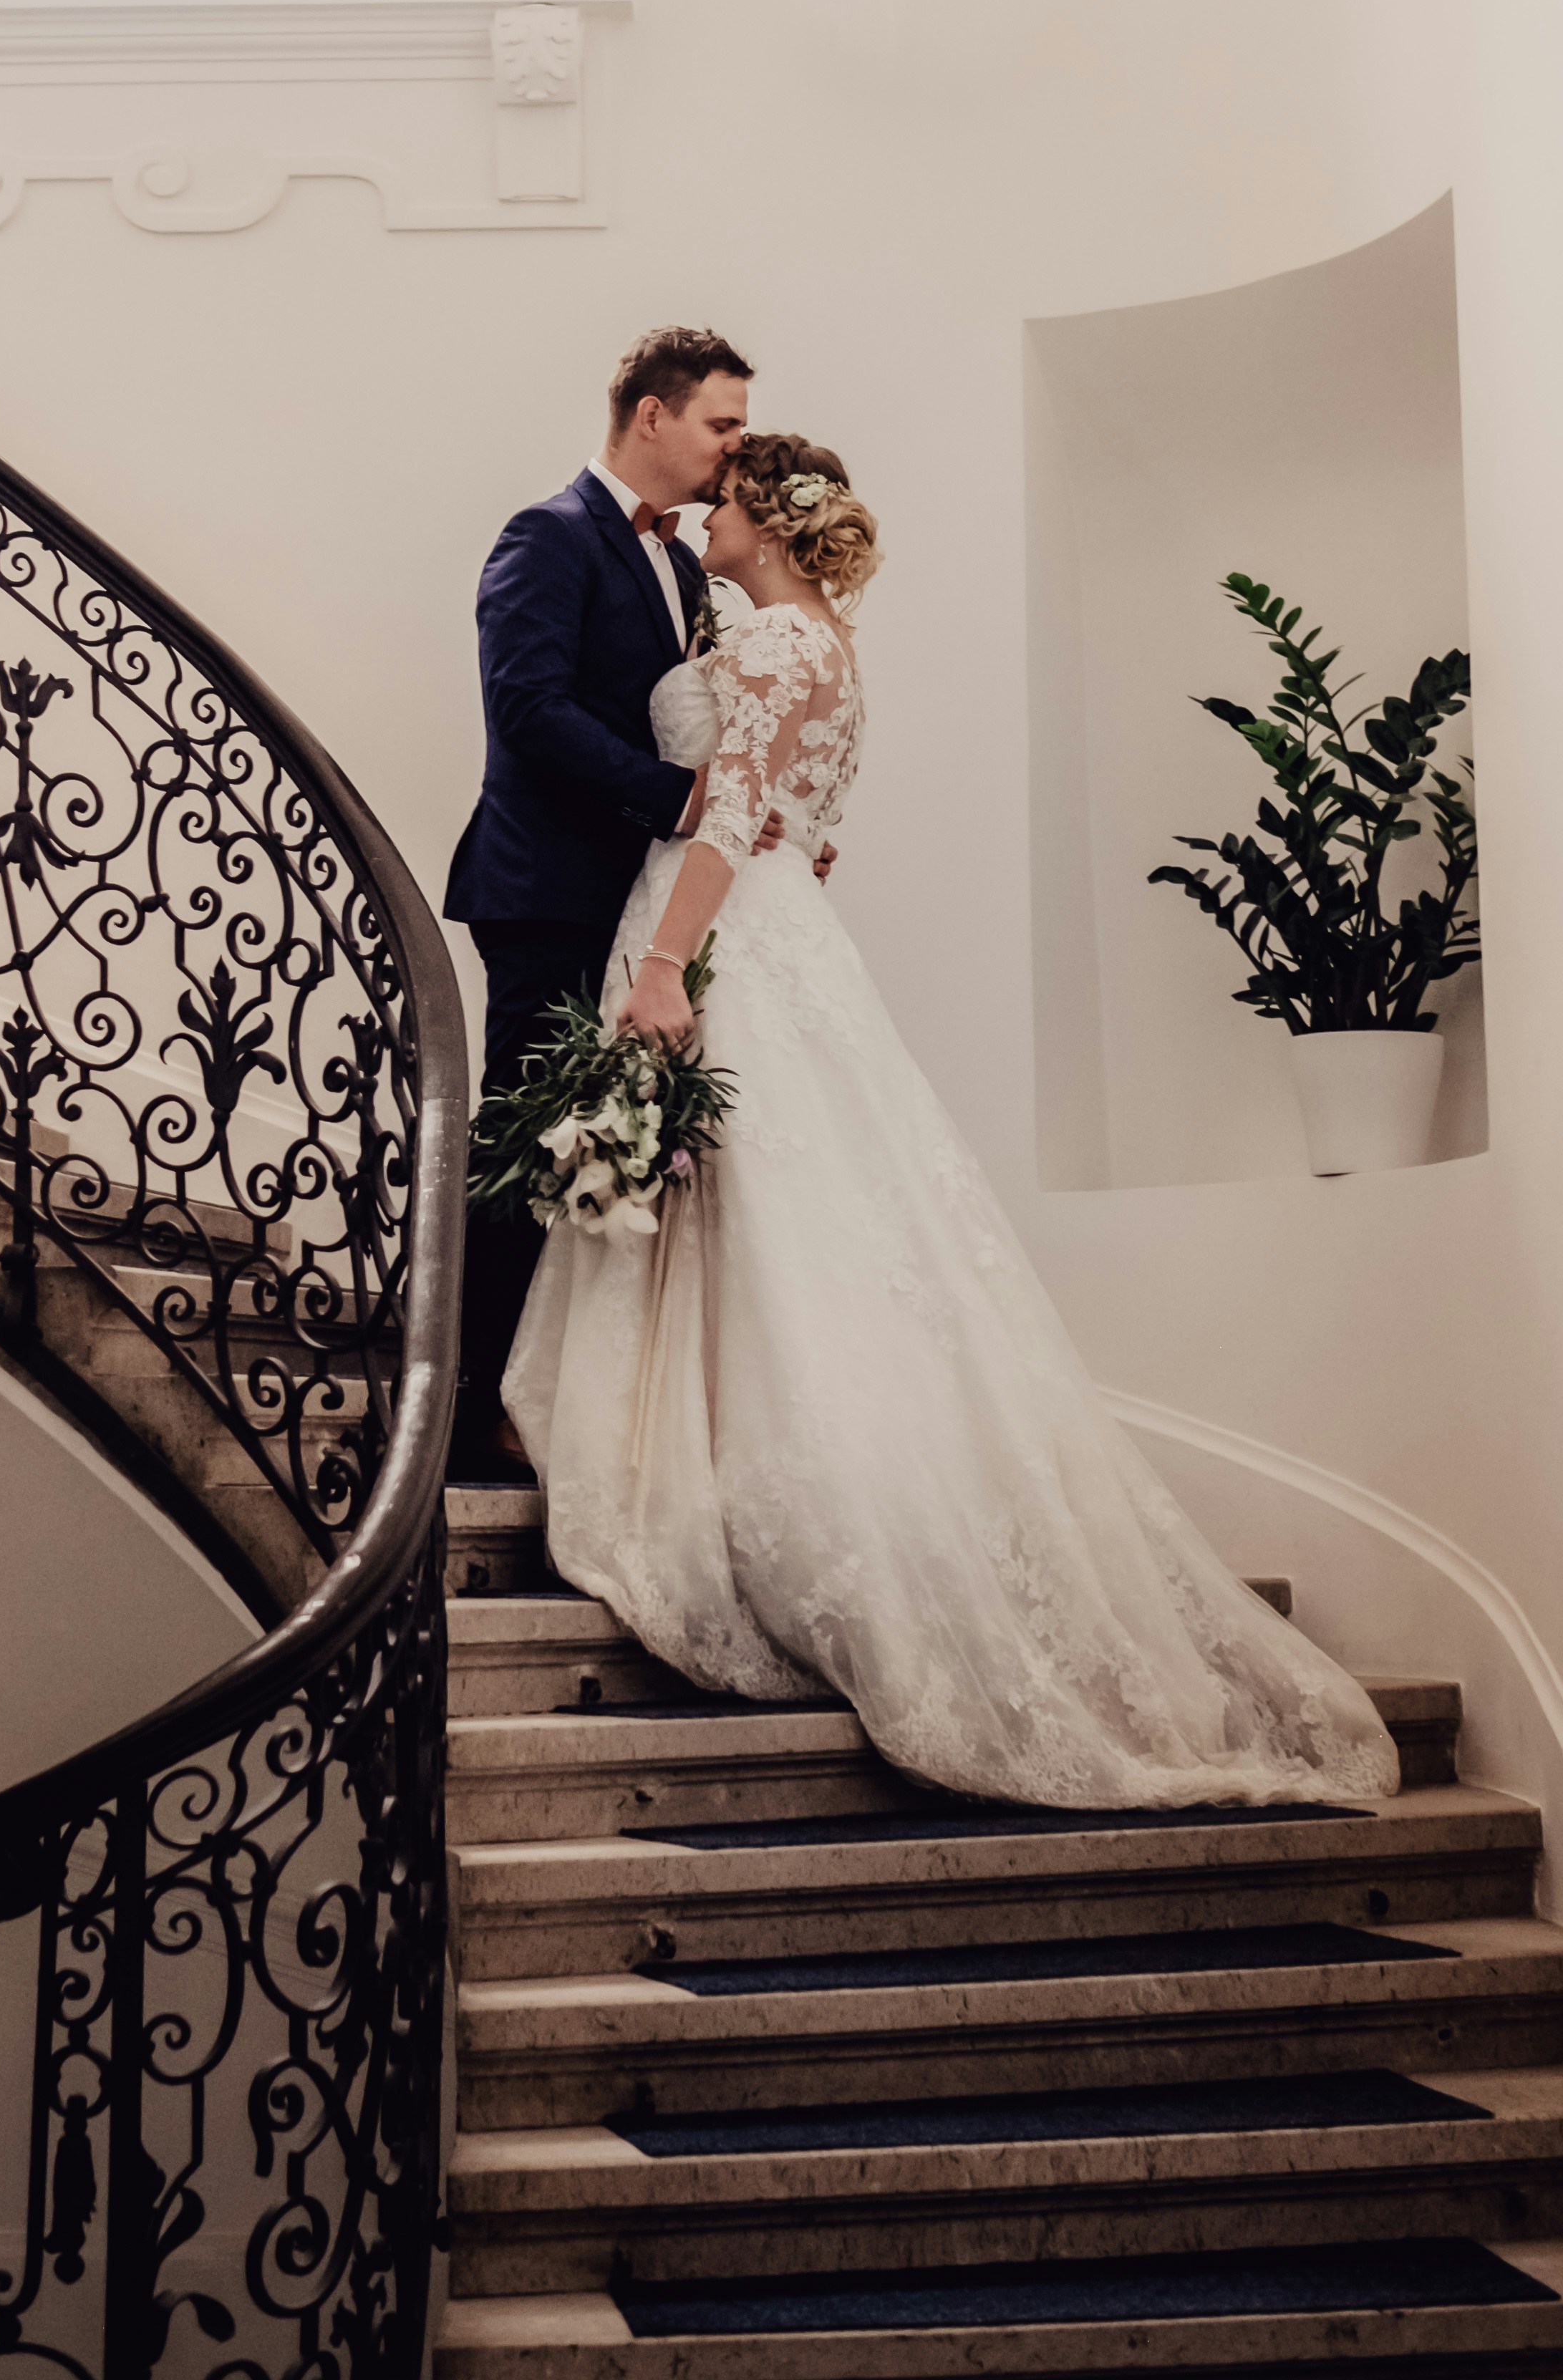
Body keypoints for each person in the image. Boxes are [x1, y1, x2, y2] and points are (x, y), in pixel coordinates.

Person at [500, 428, 1402, 1812]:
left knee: (761, 1212)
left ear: (768, 521)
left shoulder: (771, 648)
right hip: (788, 928)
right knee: (797, 1217)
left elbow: (733, 815)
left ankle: (723, 1482)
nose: (705, 512)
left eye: (727, 502)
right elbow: (808, 822)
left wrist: (670, 967)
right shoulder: (821, 643)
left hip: (719, 922)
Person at [442, 327, 755, 1485]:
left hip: (634, 904)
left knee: (605, 1155)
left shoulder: (682, 567)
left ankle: (557, 1393)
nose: (734, 446)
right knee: (522, 1146)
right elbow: (528, 711)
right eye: (720, 423)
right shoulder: (549, 536)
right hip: (544, 890)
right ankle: (466, 1405)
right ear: (650, 417)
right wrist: (681, 798)